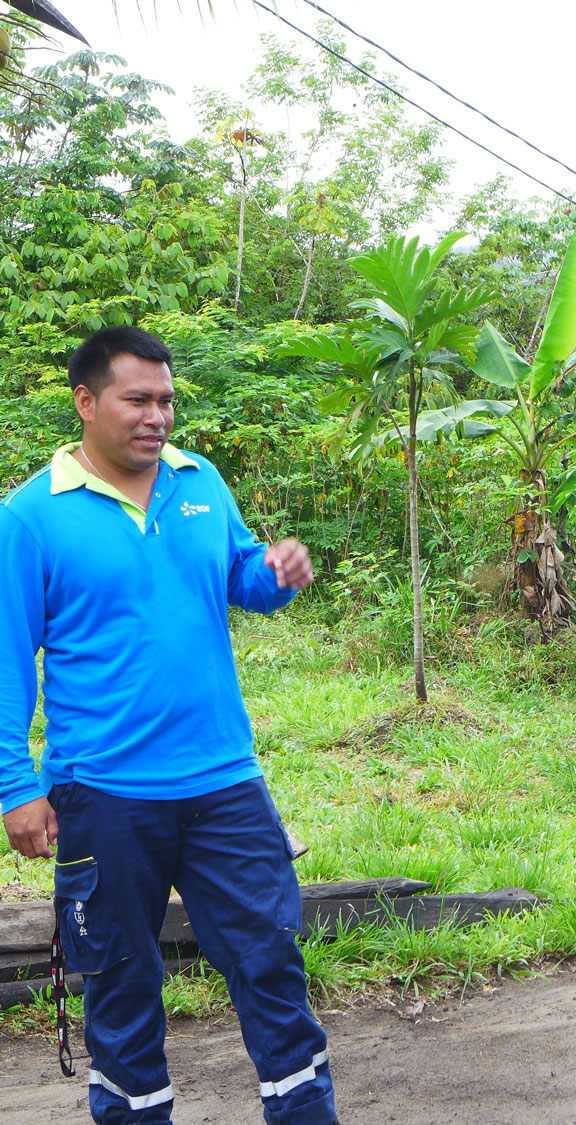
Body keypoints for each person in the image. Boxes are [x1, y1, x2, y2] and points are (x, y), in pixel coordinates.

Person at [0, 326, 339, 1125]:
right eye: (138, 399)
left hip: (224, 779)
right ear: (86, 401)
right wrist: (15, 783)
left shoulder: (200, 480)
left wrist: (275, 572)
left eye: (166, 400)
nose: (158, 416)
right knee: (119, 980)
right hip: (103, 792)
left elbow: (239, 577)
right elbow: (7, 658)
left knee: (270, 960)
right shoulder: (30, 515)